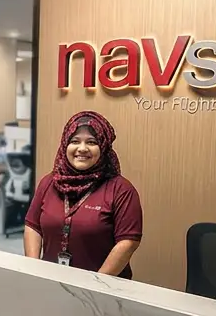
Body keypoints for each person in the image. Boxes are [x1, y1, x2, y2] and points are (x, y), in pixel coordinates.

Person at [24, 111, 142, 278]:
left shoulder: (121, 190)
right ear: (65, 144)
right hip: (51, 281)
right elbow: (32, 226)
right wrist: (33, 270)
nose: (82, 149)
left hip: (103, 288)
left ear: (103, 146)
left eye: (92, 142)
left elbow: (128, 242)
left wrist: (95, 285)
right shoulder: (49, 182)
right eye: (75, 141)